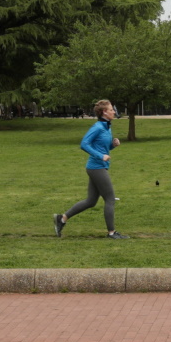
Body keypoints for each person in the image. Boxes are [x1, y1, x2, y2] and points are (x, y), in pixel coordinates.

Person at [55, 99, 127, 239]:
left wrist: (113, 145)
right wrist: (100, 156)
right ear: (104, 112)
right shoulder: (98, 127)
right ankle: (112, 233)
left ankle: (61, 219)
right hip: (96, 167)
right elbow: (84, 144)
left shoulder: (107, 127)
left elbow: (102, 146)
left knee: (91, 201)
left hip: (98, 167)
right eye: (111, 109)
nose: (113, 111)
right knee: (110, 199)